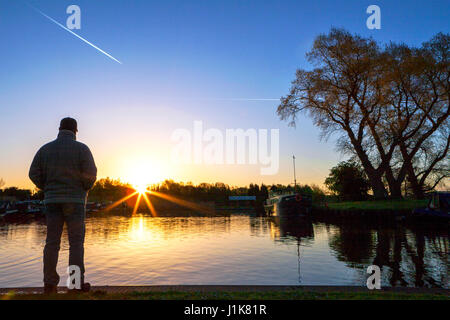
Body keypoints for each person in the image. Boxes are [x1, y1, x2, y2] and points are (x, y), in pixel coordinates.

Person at [29, 117, 97, 294]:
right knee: (76, 243)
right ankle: (74, 285)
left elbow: (33, 173)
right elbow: (91, 175)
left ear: (59, 129)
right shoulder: (82, 149)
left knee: (51, 243)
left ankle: (49, 285)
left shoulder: (45, 149)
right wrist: (82, 187)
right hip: (74, 202)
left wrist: (47, 187)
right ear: (75, 131)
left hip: (52, 201)